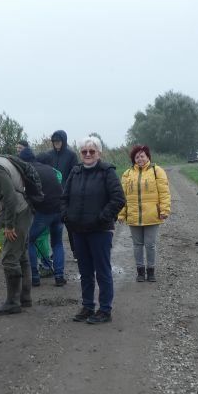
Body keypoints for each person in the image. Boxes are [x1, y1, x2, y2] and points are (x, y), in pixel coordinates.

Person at [62, 135, 125, 324]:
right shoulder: (76, 172)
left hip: (100, 231)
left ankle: (105, 310)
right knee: (85, 271)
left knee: (102, 270)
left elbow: (118, 199)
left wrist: (102, 218)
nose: (88, 154)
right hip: (78, 231)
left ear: (99, 153)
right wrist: (66, 216)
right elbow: (64, 198)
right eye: (84, 151)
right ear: (81, 153)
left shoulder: (107, 172)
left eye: (92, 151)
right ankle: (88, 306)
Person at [0, 147, 35, 315]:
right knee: (22, 255)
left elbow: (10, 196)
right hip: (25, 208)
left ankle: (13, 302)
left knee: (9, 259)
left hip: (18, 213)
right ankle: (25, 298)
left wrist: (9, 225)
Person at [118, 144, 171, 282]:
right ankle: (140, 271)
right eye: (137, 157)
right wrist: (121, 214)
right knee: (137, 245)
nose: (140, 158)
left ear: (148, 157)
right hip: (134, 215)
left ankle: (151, 271)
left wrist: (164, 210)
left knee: (150, 244)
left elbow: (164, 192)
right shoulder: (127, 174)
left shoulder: (156, 171)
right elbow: (123, 197)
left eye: (142, 156)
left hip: (152, 215)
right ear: (133, 159)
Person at [23, 144, 67, 288]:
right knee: (57, 243)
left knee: (29, 240)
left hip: (45, 212)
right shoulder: (49, 169)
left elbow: (29, 194)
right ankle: (59, 276)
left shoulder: (29, 171)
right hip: (59, 211)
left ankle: (35, 277)